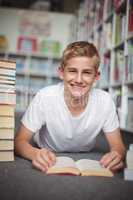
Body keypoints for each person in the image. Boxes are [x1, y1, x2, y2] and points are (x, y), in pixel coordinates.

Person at [15, 41, 126, 173]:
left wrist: (117, 155)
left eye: (87, 72)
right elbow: (19, 142)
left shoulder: (105, 100)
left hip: (85, 152)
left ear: (96, 76)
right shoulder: (44, 96)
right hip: (46, 148)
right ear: (61, 72)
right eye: (72, 71)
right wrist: (34, 153)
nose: (79, 79)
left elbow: (118, 146)